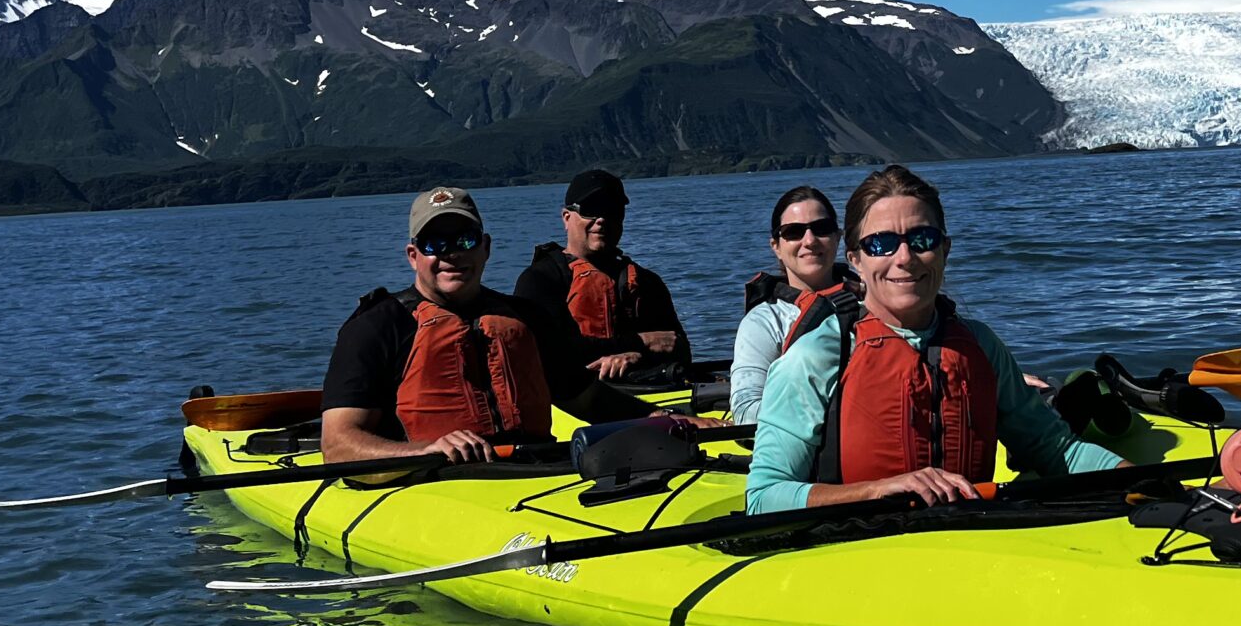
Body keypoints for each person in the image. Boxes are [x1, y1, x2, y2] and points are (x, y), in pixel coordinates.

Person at [746, 164, 1124, 512]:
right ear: (856, 259)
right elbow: (764, 498)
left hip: (973, 543)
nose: (905, 257)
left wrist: (1137, 476)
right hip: (857, 553)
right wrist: (878, 489)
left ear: (945, 249)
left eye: (922, 239)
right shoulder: (818, 355)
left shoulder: (980, 345)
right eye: (881, 244)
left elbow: (1056, 449)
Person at [320, 185, 654, 467]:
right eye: (435, 244)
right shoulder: (376, 326)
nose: (452, 254)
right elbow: (337, 446)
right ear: (413, 255)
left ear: (486, 248)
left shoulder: (525, 317)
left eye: (465, 240)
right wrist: (424, 450)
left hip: (536, 470)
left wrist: (662, 421)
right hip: (433, 480)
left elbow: (586, 398)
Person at [515, 168, 693, 383]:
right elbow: (548, 350)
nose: (602, 219)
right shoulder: (540, 280)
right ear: (566, 217)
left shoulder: (647, 282)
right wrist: (641, 342)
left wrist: (635, 356)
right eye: (590, 210)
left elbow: (677, 346)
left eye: (613, 210)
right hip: (576, 399)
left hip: (646, 391)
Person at [727, 184, 854, 424]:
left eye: (822, 229)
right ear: (776, 246)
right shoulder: (764, 322)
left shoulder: (874, 301)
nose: (810, 240)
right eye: (794, 232)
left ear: (838, 238)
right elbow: (746, 411)